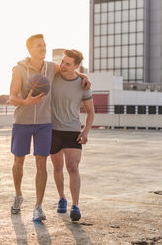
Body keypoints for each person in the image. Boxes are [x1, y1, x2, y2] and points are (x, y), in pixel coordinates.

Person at [9, 34, 91, 221]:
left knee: (41, 163)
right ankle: (18, 195)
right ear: (29, 49)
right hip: (22, 122)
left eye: (44, 45)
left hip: (44, 124)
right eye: (39, 46)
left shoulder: (50, 67)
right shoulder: (19, 69)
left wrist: (84, 75)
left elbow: (69, 71)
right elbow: (12, 98)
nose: (44, 48)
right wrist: (26, 101)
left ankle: (38, 206)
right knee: (18, 163)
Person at [50, 49, 95, 222]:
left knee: (73, 168)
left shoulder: (83, 85)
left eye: (68, 64)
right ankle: (62, 198)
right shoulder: (54, 76)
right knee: (57, 167)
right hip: (53, 130)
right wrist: (83, 74)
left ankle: (75, 205)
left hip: (72, 131)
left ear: (76, 66)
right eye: (62, 61)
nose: (63, 65)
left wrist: (85, 132)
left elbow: (91, 112)